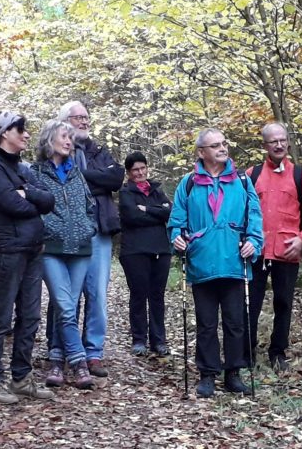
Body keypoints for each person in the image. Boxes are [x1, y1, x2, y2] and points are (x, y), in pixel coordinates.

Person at [168, 128, 263, 398]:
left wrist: (254, 243)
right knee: (206, 322)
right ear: (201, 152)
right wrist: (177, 239)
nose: (223, 148)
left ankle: (234, 373)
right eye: (215, 145)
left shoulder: (243, 181)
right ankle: (207, 374)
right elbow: (176, 221)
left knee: (235, 321)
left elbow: (255, 218)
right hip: (202, 262)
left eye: (224, 143)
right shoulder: (188, 183)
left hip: (234, 261)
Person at [0, 111, 56, 404]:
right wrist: (28, 200)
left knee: (30, 316)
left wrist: (26, 193)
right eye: (19, 129)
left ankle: (21, 378)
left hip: (33, 249)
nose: (25, 134)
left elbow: (50, 199)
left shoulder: (24, 169)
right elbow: (11, 205)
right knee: (0, 316)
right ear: (3, 133)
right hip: (6, 250)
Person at [244, 122, 302, 372]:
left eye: (282, 140)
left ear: (288, 142)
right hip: (255, 251)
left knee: (283, 303)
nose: (278, 145)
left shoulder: (301, 175)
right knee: (251, 304)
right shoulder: (251, 175)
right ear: (265, 145)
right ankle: (247, 352)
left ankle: (278, 353)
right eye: (273, 141)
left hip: (287, 251)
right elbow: (239, 210)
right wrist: (243, 240)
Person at [56, 100, 124, 378]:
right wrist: (95, 179)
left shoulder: (98, 150)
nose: (84, 122)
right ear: (65, 121)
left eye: (86, 117)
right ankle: (63, 350)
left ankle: (93, 352)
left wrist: (83, 178)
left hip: (99, 230)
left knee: (97, 294)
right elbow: (61, 182)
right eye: (78, 117)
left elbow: (116, 178)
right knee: (66, 295)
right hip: (68, 231)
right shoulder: (58, 149)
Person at [31, 120, 98, 389]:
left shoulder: (77, 173)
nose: (69, 141)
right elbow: (32, 208)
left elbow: (90, 206)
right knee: (66, 306)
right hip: (52, 249)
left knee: (66, 306)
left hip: (80, 249)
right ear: (50, 139)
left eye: (71, 138)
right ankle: (80, 363)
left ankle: (57, 360)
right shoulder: (35, 172)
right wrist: (46, 232)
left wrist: (88, 229)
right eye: (64, 136)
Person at [118, 151, 172, 357]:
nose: (140, 172)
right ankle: (139, 339)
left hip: (160, 249)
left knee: (157, 296)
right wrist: (156, 212)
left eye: (143, 168)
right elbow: (131, 217)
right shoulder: (125, 192)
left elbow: (169, 212)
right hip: (135, 251)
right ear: (129, 173)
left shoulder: (157, 190)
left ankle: (159, 340)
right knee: (139, 294)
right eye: (135, 170)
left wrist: (146, 209)